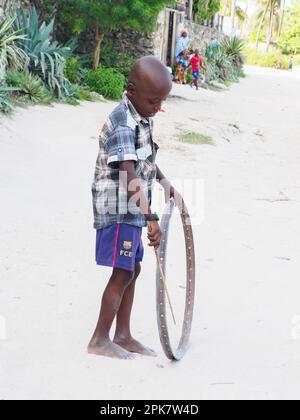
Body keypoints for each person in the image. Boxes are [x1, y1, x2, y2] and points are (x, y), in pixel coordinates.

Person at [89, 56, 177, 360]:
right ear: (131, 90)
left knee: (132, 268)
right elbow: (128, 173)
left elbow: (145, 161)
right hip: (117, 210)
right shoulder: (123, 122)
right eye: (153, 100)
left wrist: (166, 184)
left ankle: (123, 335)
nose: (157, 108)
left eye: (161, 102)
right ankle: (99, 339)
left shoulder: (141, 116)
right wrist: (150, 217)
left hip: (132, 210)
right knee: (122, 271)